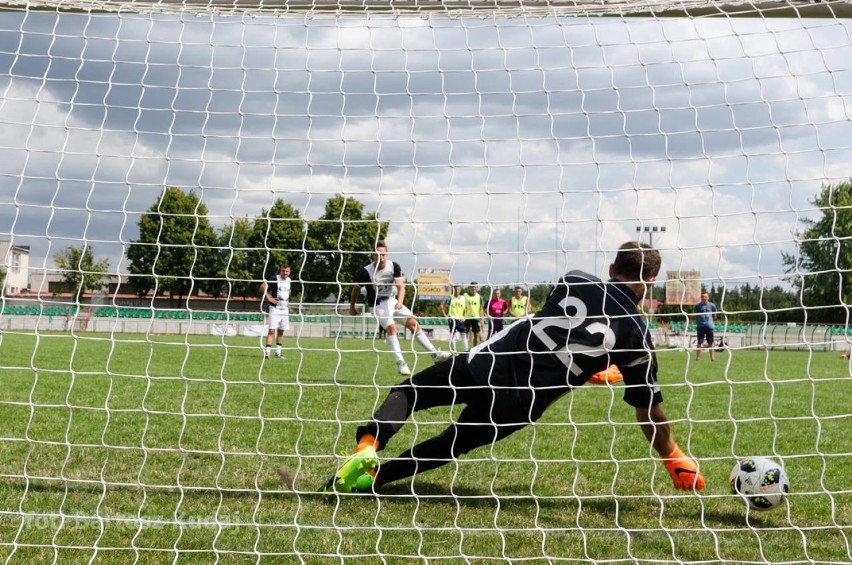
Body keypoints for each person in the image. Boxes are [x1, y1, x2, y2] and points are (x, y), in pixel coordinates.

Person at [325, 241, 705, 494]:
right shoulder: (637, 335)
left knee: (411, 392)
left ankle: (368, 445)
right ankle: (374, 480)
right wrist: (672, 454)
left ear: (610, 267)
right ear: (651, 280)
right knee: (450, 443)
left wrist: (591, 363)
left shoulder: (574, 280)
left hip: (488, 364)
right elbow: (648, 410)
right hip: (522, 402)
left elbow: (561, 321)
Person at [350, 241, 450, 376]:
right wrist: (352, 307)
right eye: (378, 255)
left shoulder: (394, 266)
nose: (382, 258)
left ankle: (435, 354)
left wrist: (400, 302)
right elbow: (356, 289)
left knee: (414, 324)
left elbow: (400, 287)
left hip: (393, 301)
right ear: (373, 256)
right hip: (378, 305)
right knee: (392, 328)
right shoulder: (366, 272)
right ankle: (400, 363)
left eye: (384, 254)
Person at [261, 264, 292, 359]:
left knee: (281, 331)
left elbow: (289, 290)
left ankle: (278, 353)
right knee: (271, 330)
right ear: (280, 270)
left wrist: (286, 297)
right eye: (283, 271)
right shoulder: (275, 278)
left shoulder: (289, 280)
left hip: (285, 308)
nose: (285, 273)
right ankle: (267, 353)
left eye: (287, 271)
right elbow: (262, 286)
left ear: (289, 272)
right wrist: (268, 297)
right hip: (275, 308)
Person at [440, 284, 469, 353]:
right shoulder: (450, 297)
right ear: (453, 290)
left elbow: (467, 309)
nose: (457, 291)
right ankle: (454, 351)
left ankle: (466, 351)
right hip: (452, 319)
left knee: (463, 334)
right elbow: (441, 306)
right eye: (455, 289)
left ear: (460, 290)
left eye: (458, 289)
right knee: (452, 334)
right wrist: (445, 315)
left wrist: (465, 317)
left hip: (460, 319)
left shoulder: (463, 298)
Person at [694, 292, 717, 362]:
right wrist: (698, 322)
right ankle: (697, 357)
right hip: (701, 326)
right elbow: (696, 316)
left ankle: (712, 358)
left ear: (708, 297)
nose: (704, 298)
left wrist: (711, 322)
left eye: (705, 296)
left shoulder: (712, 306)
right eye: (703, 297)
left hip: (709, 326)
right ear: (701, 298)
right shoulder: (697, 306)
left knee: (711, 342)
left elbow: (715, 315)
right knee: (699, 342)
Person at [463, 282, 486, 348]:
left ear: (477, 288)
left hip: (476, 318)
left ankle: (474, 349)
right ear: (470, 287)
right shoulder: (464, 295)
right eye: (472, 287)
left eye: (475, 287)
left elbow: (481, 309)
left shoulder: (479, 297)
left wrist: (482, 319)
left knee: (476, 335)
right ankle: (466, 350)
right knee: (465, 334)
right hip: (467, 318)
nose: (473, 288)